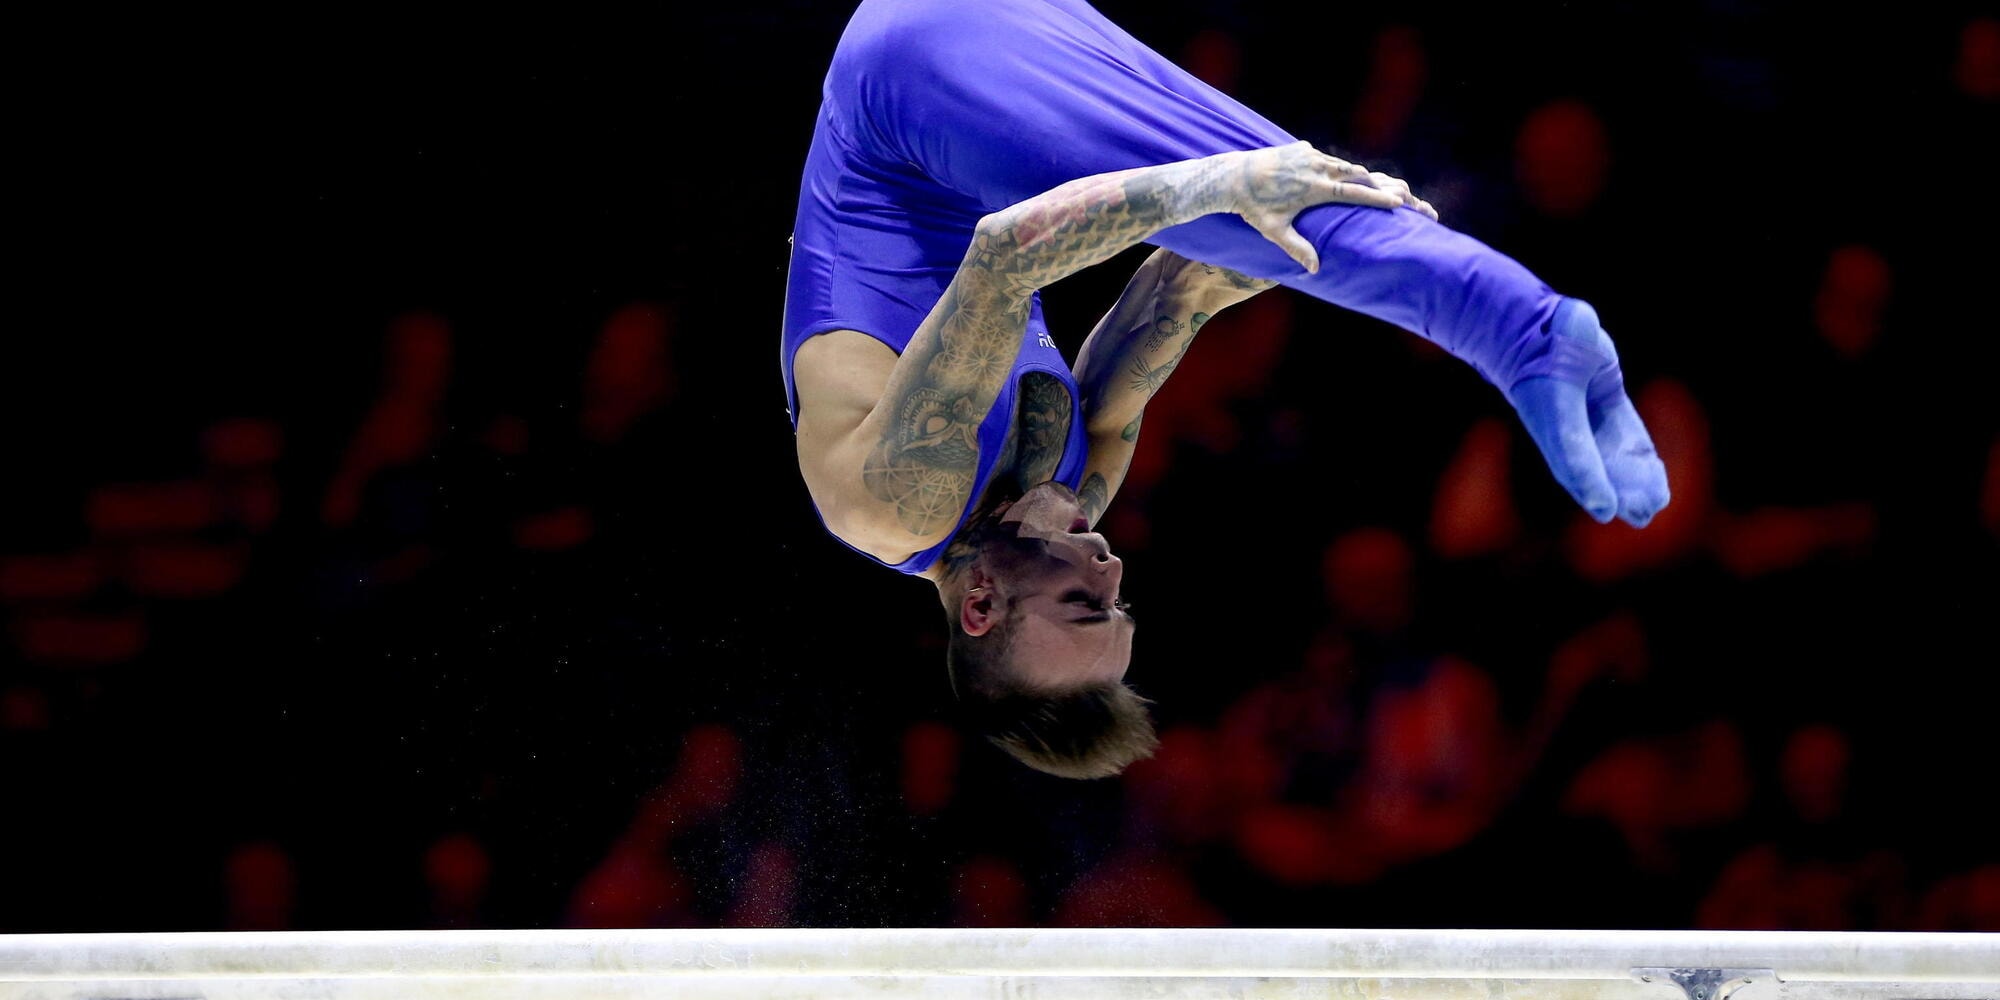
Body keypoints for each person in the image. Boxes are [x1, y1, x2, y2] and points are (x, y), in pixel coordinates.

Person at [780, 0, 1671, 780]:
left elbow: (1008, 255)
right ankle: (1517, 319)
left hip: (907, 88)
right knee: (1292, 216)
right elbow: (1184, 287)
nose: (1113, 568)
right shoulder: (1072, 498)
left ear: (979, 607)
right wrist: (1337, 212)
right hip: (987, 86)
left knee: (1232, 192)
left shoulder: (900, 507)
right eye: (1117, 604)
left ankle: (1517, 330)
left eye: (1084, 602)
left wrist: (1227, 184)